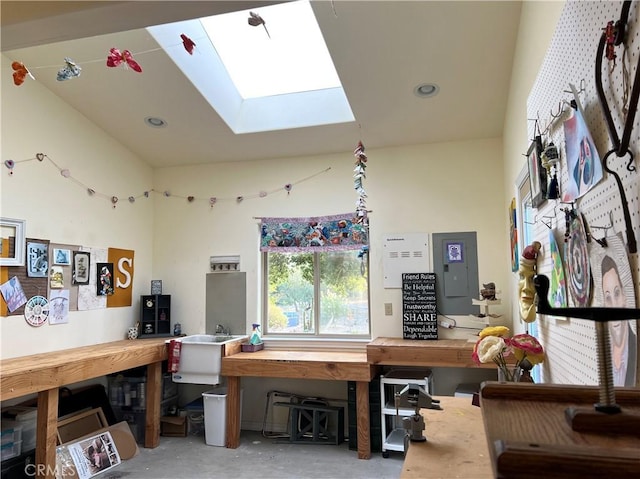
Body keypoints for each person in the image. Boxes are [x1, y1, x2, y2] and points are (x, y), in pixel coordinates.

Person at [601, 255, 637, 387]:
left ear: (624, 297)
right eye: (608, 298)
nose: (613, 306)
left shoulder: (634, 347)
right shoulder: (605, 354)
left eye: (616, 294)